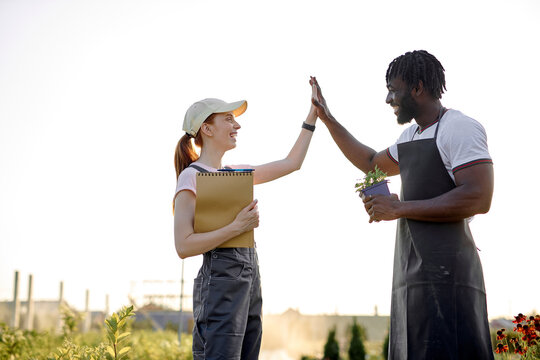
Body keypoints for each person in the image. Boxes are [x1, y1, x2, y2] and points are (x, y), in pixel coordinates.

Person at [310, 51, 494, 359]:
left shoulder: (459, 128)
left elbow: (479, 196)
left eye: (393, 89)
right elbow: (371, 163)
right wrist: (328, 119)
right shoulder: (411, 135)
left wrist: (400, 209)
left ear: (418, 88)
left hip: (451, 277)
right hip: (410, 274)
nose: (388, 98)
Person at [173, 87, 317, 359]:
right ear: (207, 128)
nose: (236, 124)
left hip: (249, 279)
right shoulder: (191, 178)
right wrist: (236, 227)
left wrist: (313, 115)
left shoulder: (233, 175)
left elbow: (292, 163)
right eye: (228, 119)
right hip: (220, 284)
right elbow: (183, 245)